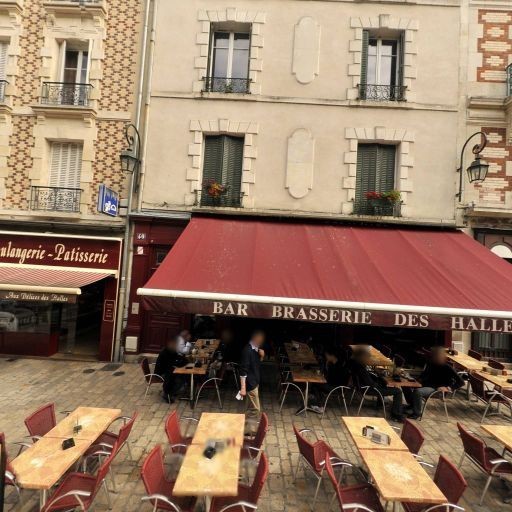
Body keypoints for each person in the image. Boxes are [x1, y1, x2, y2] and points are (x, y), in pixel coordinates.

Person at [404, 346, 464, 419]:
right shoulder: (431, 363)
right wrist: (416, 380)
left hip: (436, 389)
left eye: (436, 355)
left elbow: (461, 382)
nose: (434, 357)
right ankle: (412, 405)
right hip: (426, 384)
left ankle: (416, 413)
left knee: (418, 392)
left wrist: (448, 388)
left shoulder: (447, 367)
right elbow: (424, 374)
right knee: (405, 385)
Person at [350, 348, 405, 422]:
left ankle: (380, 404)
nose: (368, 359)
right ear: (362, 357)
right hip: (370, 389)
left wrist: (378, 378)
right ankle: (396, 414)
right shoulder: (361, 368)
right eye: (366, 357)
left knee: (382, 381)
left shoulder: (356, 364)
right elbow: (371, 383)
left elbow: (368, 377)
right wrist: (380, 381)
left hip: (363, 387)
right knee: (398, 391)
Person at [239, 330, 265, 431]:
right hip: (251, 384)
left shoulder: (256, 349)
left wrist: (262, 356)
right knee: (255, 409)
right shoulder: (247, 351)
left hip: (255, 382)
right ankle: (250, 430)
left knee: (250, 408)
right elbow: (243, 371)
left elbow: (256, 365)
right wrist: (243, 388)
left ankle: (247, 429)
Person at [154, 336, 188, 402]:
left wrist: (184, 361)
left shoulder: (172, 351)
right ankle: (167, 393)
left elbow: (179, 358)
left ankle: (173, 391)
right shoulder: (165, 352)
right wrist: (179, 363)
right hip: (162, 373)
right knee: (175, 376)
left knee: (181, 375)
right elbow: (171, 364)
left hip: (169, 370)